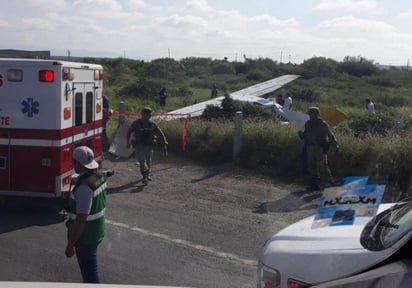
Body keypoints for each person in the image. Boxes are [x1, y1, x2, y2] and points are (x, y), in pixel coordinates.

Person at [65, 146, 107, 283]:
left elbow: (81, 218)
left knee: (90, 275)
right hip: (96, 230)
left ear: (79, 164)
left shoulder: (84, 187)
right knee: (89, 272)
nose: (72, 164)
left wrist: (70, 244)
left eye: (74, 162)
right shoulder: (98, 176)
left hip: (85, 236)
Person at [298, 107, 339, 190]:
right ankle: (314, 185)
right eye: (310, 114)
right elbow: (306, 134)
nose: (311, 116)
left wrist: (335, 146)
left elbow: (330, 136)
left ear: (317, 115)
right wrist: (302, 135)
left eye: (313, 114)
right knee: (311, 167)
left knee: (323, 167)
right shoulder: (308, 123)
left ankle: (329, 184)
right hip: (310, 147)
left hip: (319, 148)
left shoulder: (323, 124)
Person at [126, 107, 168, 185]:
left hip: (149, 146)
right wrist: (127, 142)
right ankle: (145, 177)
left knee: (148, 162)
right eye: (147, 115)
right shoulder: (136, 123)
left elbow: (159, 132)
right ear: (143, 115)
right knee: (142, 161)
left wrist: (164, 141)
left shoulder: (152, 124)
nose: (148, 116)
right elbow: (129, 132)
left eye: (149, 115)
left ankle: (146, 175)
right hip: (139, 145)